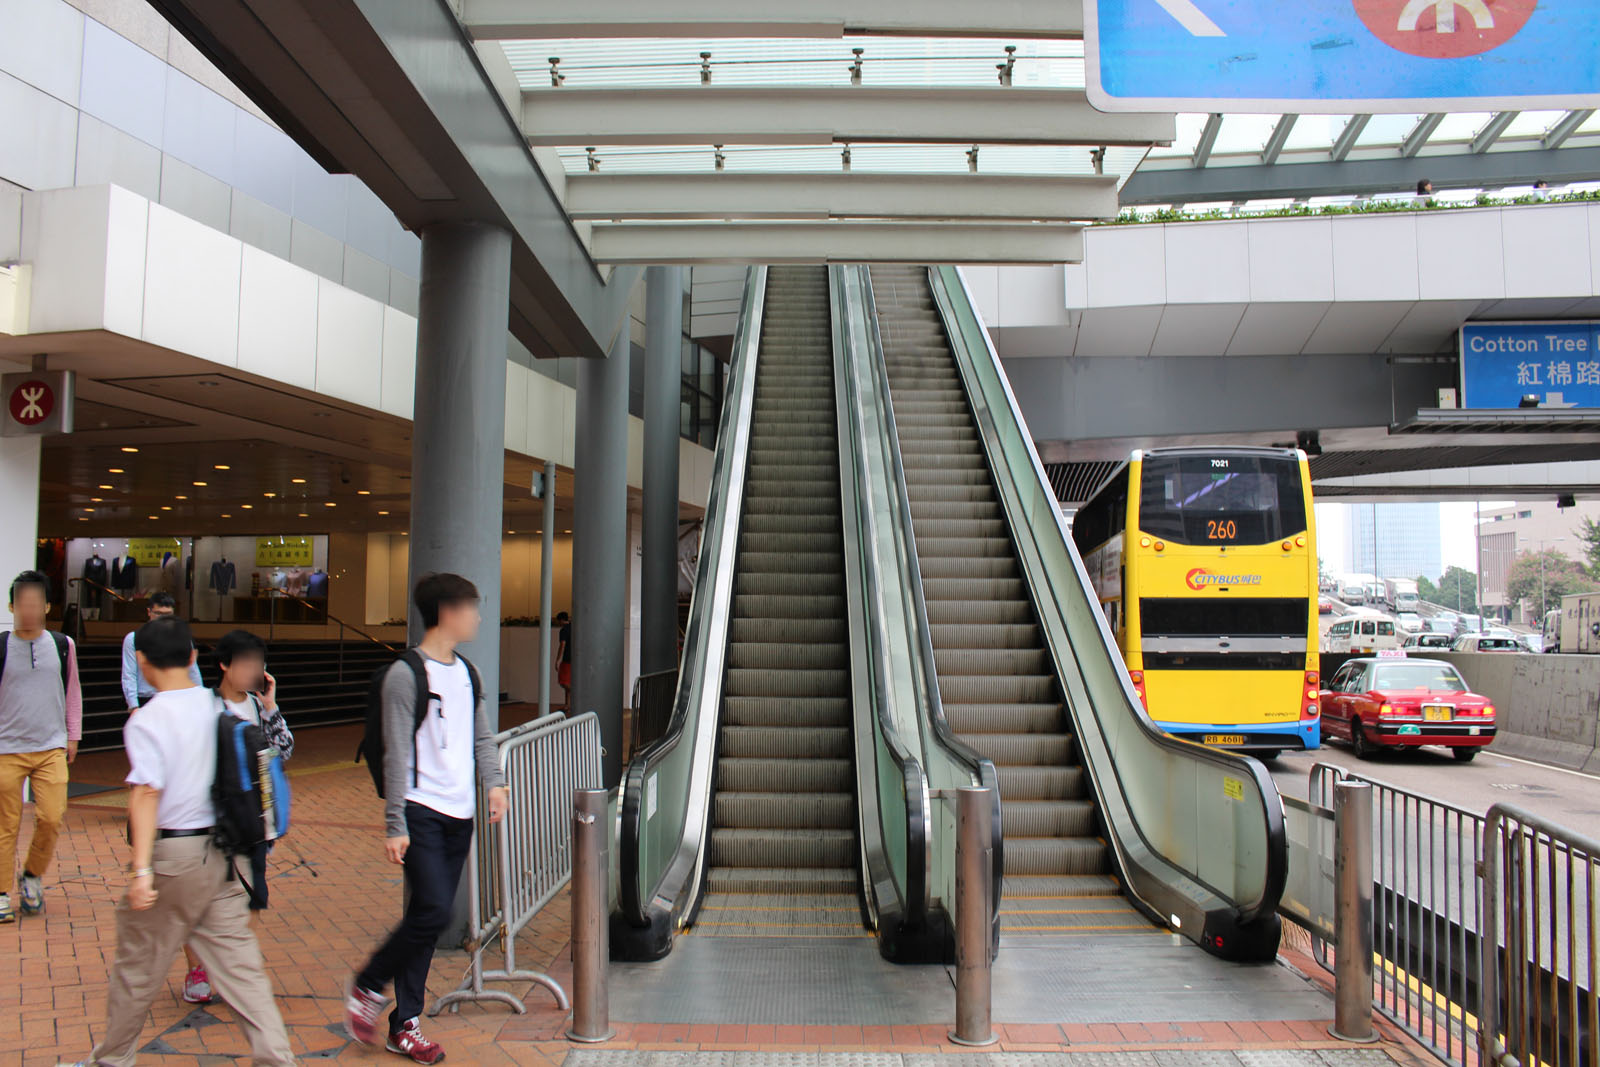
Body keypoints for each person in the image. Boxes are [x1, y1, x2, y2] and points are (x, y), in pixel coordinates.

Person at [70, 616, 294, 1066]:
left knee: (138, 968)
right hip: (226, 857)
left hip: (175, 856)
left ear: (142, 661)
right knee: (242, 972)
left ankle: (110, 1061)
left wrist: (141, 871)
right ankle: (277, 1059)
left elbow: (147, 793)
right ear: (193, 657)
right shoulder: (219, 710)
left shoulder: (147, 720)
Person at [345, 573, 508, 1063]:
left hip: (460, 813)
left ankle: (405, 1024)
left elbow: (481, 736)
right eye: (472, 606)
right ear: (446, 611)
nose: (478, 616)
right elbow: (396, 754)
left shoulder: (467, 671)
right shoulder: (405, 675)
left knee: (423, 916)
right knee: (435, 911)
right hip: (421, 811)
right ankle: (369, 984)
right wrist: (395, 823)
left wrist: (494, 782)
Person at [172, 629, 294, 1005]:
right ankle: (198, 968)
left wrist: (271, 709)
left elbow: (284, 752)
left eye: (258, 664)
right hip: (210, 820)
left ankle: (226, 964)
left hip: (254, 821)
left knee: (251, 897)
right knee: (199, 900)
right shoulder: (203, 706)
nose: (253, 670)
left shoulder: (258, 707)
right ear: (224, 664)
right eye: (245, 663)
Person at [0, 570, 82, 923]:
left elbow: (73, 692)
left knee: (51, 817)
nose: (29, 610)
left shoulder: (63, 645)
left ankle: (31, 876)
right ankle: (2, 891)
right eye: (22, 603)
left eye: (36, 603)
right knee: (6, 823)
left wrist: (73, 734)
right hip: (6, 747)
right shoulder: (1, 645)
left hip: (51, 747)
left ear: (48, 606)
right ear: (11, 605)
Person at [121, 592, 202, 711]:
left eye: (168, 614)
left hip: (176, 696)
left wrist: (199, 698)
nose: (163, 619)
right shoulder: (133, 639)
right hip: (146, 698)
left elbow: (193, 670)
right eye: (158, 614)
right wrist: (133, 706)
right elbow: (129, 674)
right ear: (149, 612)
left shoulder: (183, 638)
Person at [555, 610, 572, 713]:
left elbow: (562, 644)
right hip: (574, 658)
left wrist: (558, 659)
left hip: (567, 659)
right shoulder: (573, 627)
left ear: (561, 620)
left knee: (563, 681)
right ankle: (567, 704)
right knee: (568, 681)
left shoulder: (563, 630)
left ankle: (574, 698)